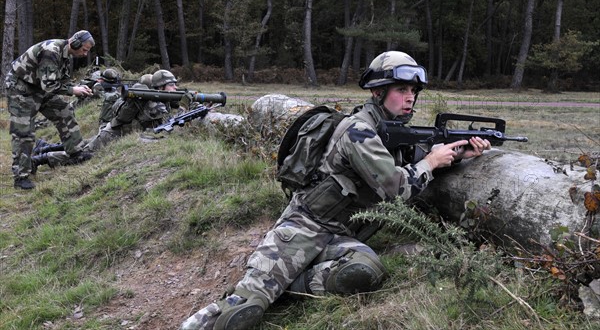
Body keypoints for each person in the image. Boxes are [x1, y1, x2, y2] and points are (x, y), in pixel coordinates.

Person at [179, 51, 492, 330]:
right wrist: (431, 163)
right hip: (305, 227)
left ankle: (286, 283)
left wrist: (456, 154)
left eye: (413, 91)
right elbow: (396, 189)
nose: (410, 97)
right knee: (240, 314)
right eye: (401, 89)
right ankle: (257, 290)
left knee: (364, 270)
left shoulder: (390, 130)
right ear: (378, 91)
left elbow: (413, 156)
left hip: (341, 234)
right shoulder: (359, 131)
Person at [31, 70, 180, 169]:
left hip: (113, 131)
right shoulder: (154, 104)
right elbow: (171, 125)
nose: (175, 88)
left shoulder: (158, 100)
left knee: (83, 145)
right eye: (172, 85)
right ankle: (38, 160)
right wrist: (184, 107)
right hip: (112, 135)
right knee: (83, 156)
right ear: (160, 87)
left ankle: (44, 147)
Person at [5, 30, 96, 190]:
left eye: (87, 51)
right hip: (21, 89)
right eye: (84, 49)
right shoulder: (51, 51)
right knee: (23, 133)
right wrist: (73, 90)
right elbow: (49, 84)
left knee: (63, 110)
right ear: (74, 43)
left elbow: (62, 80)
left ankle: (75, 152)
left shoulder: (65, 55)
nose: (85, 53)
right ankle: (21, 177)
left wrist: (79, 88)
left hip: (39, 88)